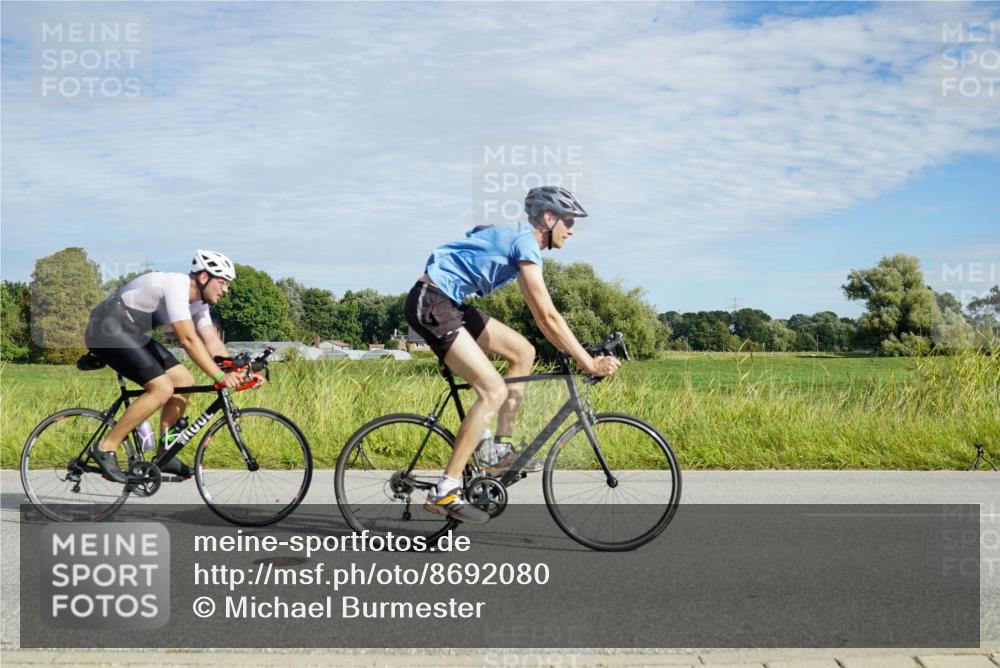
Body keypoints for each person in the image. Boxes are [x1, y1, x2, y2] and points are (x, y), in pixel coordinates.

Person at [405, 186, 620, 523]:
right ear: (548, 219)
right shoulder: (524, 243)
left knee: (523, 351)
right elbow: (547, 316)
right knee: (493, 390)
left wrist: (579, 349)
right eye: (567, 221)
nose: (571, 229)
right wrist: (587, 361)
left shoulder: (521, 244)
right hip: (432, 301)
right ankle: (445, 489)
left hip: (452, 303)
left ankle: (498, 451)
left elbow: (542, 318)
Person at [84, 250, 247, 483]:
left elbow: (211, 340)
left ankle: (164, 453)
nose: (226, 289)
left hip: (130, 331)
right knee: (161, 388)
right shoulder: (176, 286)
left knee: (183, 381)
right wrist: (220, 375)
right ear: (203, 278)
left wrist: (238, 371)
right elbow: (188, 340)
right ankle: (105, 447)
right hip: (106, 328)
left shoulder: (199, 305)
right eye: (222, 283)